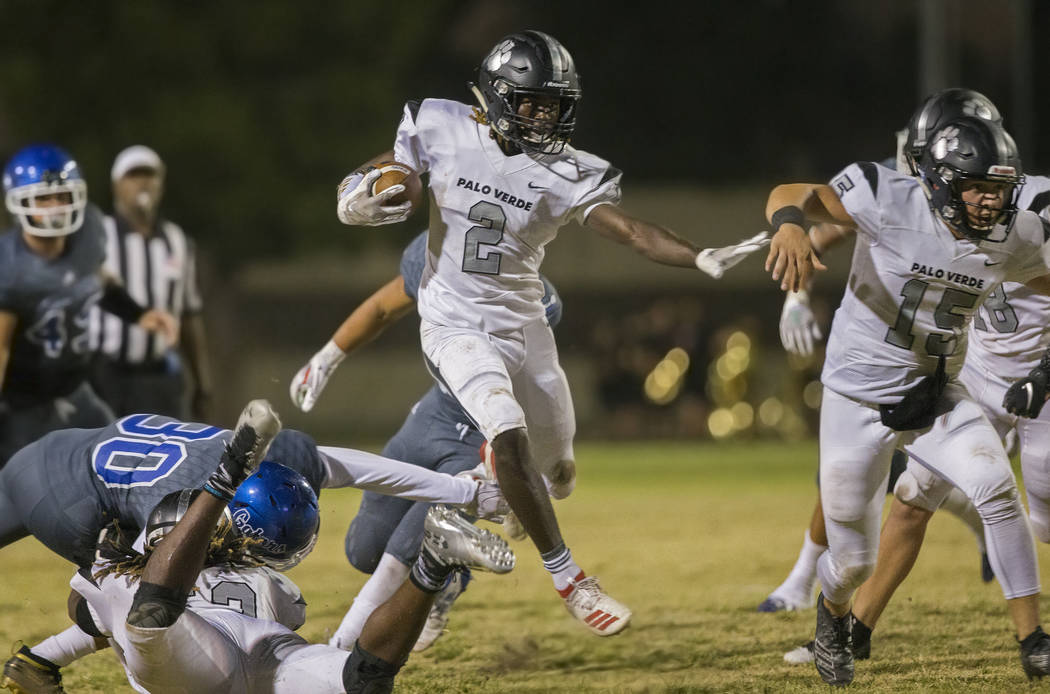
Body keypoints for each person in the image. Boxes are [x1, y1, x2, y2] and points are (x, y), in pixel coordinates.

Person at [332, 29, 769, 635]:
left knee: (558, 471)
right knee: (506, 431)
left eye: (555, 105)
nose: (545, 117)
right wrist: (361, 193)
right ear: (497, 95)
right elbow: (392, 175)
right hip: (453, 322)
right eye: (533, 102)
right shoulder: (439, 123)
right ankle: (570, 578)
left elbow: (633, 232)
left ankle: (505, 489)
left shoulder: (571, 170)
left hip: (525, 327)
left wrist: (697, 257)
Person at [764, 115, 1050, 685]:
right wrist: (792, 225)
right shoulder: (887, 196)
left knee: (995, 487)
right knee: (852, 562)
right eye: (977, 188)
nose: (990, 203)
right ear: (941, 181)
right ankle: (834, 613)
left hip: (937, 389)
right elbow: (790, 193)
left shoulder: (1015, 233)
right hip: (856, 396)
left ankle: (1035, 640)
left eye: (999, 190)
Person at [2, 405, 514, 694]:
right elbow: (104, 603)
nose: (250, 558)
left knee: (364, 684)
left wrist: (467, 493)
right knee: (142, 607)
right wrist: (466, 491)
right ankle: (224, 475)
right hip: (65, 486)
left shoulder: (285, 467)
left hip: (223, 649)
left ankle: (432, 561)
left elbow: (345, 466)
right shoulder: (168, 523)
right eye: (248, 550)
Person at [759, 89, 1004, 613]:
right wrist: (796, 287)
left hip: (976, 343)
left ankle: (1005, 572)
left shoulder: (1006, 205)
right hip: (899, 348)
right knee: (877, 476)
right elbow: (828, 219)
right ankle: (815, 585)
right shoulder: (899, 195)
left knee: (936, 481)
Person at [292, 231, 563, 651]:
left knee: (403, 554)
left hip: (479, 436)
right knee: (363, 550)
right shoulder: (437, 255)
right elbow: (384, 306)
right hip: (432, 417)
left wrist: (524, 466)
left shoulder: (533, 305)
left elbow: (546, 398)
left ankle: (345, 646)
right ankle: (452, 571)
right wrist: (326, 358)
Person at [0, 144, 177, 465]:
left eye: (62, 196)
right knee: (24, 488)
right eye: (43, 198)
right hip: (24, 402)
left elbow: (95, 278)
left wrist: (137, 314)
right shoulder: (10, 267)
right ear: (19, 201)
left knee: (123, 459)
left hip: (75, 390)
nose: (55, 207)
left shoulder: (87, 234)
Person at [91, 145, 213, 421]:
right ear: (116, 185)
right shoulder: (98, 234)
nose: (143, 181)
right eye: (133, 174)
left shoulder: (177, 240)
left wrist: (202, 382)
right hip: (103, 374)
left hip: (157, 376)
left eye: (150, 174)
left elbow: (190, 314)